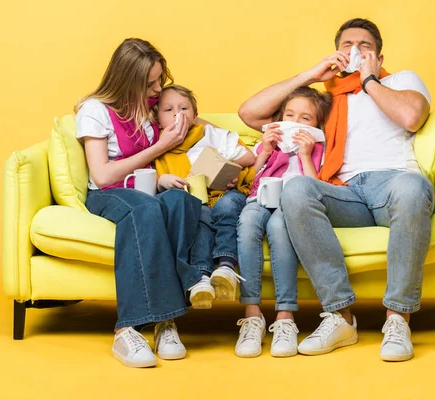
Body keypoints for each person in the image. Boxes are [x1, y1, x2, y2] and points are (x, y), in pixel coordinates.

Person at [238, 18, 435, 362]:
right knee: (297, 189)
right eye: (347, 45)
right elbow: (249, 114)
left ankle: (398, 319)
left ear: (379, 54)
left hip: (393, 183)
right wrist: (311, 76)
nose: (355, 50)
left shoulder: (399, 81)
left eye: (365, 46)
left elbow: (411, 117)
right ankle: (340, 317)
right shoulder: (326, 101)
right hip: (344, 191)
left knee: (413, 185)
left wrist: (369, 79)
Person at [75, 38, 212, 368]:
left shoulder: (149, 110)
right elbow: (103, 175)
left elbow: (190, 126)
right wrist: (159, 146)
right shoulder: (95, 111)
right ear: (126, 80)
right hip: (110, 194)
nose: (156, 90)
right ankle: (128, 329)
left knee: (182, 201)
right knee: (145, 208)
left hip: (148, 189)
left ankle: (165, 323)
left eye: (159, 80)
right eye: (149, 83)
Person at [234, 87, 332, 358]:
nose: (295, 122)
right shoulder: (267, 143)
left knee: (280, 228)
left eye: (305, 118)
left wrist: (304, 154)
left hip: (293, 202)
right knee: (247, 222)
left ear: (317, 126)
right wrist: (264, 151)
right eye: (289, 115)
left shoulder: (319, 149)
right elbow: (247, 182)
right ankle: (252, 315)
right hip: (260, 197)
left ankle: (285, 316)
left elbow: (317, 188)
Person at [154, 85, 255, 307]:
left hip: (227, 193)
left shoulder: (211, 135)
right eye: (168, 109)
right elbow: (153, 178)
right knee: (200, 215)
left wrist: (228, 168)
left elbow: (248, 158)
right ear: (157, 118)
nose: (177, 114)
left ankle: (227, 267)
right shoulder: (157, 147)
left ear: (196, 116)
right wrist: (164, 181)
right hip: (196, 201)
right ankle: (201, 278)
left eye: (184, 108)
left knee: (227, 206)